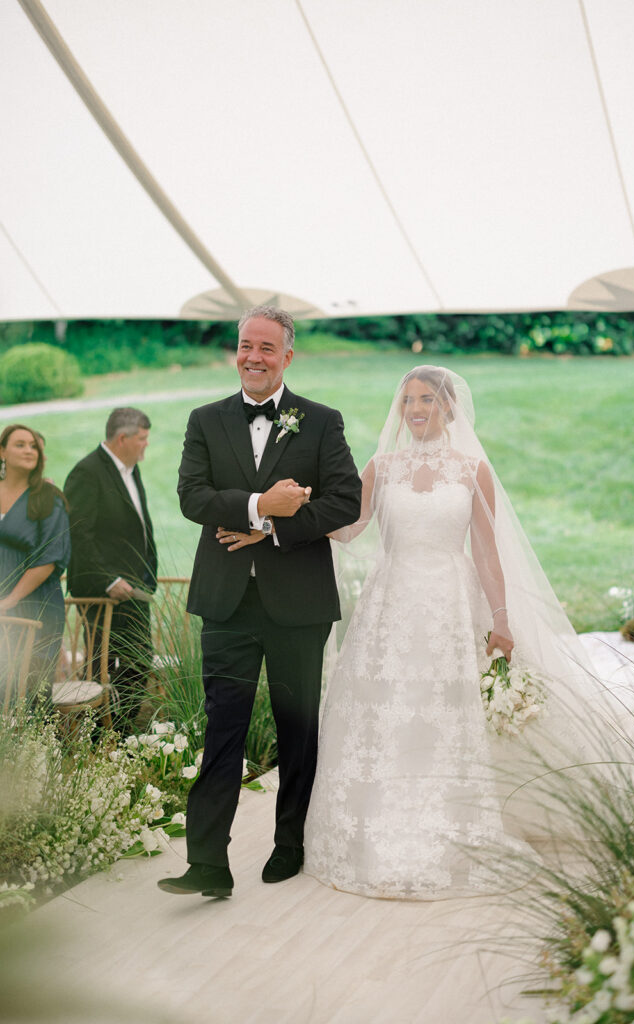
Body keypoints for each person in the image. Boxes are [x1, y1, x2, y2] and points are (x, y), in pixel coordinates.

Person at [303, 366, 614, 900]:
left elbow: (488, 551)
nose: (417, 408)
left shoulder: (473, 470)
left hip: (450, 603)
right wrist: (305, 508)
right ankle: (374, 831)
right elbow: (351, 529)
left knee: (444, 712)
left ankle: (448, 823)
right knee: (386, 710)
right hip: (391, 606)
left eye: (427, 399)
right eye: (408, 400)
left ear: (449, 407)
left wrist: (501, 618)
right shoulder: (382, 467)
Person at [158, 305, 362, 899]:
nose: (253, 356)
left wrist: (272, 530)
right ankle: (207, 865)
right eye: (246, 345)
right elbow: (192, 497)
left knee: (298, 728)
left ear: (288, 356)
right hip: (226, 603)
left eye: (267, 348)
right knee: (222, 731)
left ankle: (290, 844)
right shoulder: (205, 419)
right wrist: (258, 505)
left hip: (299, 605)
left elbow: (345, 502)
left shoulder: (320, 422)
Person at [64, 407, 157, 733]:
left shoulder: (130, 469)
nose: (147, 445)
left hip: (135, 589)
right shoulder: (87, 473)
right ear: (123, 438)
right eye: (142, 439)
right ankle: (103, 739)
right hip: (106, 594)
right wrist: (109, 581)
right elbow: (78, 533)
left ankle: (121, 738)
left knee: (137, 663)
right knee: (108, 668)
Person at [0, 423, 70, 696]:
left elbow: (49, 558)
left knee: (29, 689)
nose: (30, 450)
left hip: (35, 605)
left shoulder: (47, 498)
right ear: (2, 451)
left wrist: (9, 600)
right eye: (20, 444)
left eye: (33, 446)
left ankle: (34, 741)